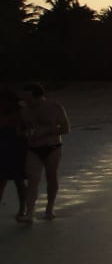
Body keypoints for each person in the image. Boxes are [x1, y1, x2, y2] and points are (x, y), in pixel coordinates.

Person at [20, 83, 70, 223]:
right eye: (24, 98)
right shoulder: (24, 111)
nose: (25, 101)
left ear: (39, 97)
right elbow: (21, 130)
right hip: (33, 148)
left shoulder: (55, 107)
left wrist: (46, 131)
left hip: (52, 147)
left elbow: (66, 128)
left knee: (51, 177)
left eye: (28, 98)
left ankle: (49, 208)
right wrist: (27, 133)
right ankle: (30, 213)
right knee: (33, 180)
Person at [0, 88, 28, 221]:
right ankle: (23, 208)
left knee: (19, 180)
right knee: (2, 181)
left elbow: (28, 129)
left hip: (17, 147)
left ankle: (23, 208)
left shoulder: (20, 112)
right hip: (4, 147)